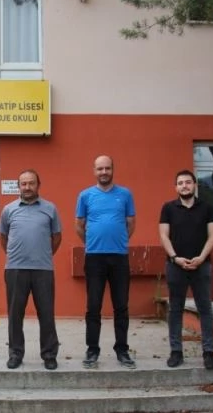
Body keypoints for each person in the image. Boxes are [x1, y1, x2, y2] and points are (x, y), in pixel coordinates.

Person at [75, 155, 136, 369]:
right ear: (94, 171)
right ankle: (92, 350)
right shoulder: (85, 195)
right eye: (100, 169)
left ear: (112, 170)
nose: (104, 172)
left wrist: (119, 241)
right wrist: (92, 243)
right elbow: (79, 225)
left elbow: (131, 223)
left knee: (121, 306)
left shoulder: (125, 194)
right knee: (93, 306)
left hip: (119, 257)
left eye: (107, 168)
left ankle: (122, 350)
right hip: (94, 258)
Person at [0, 169, 62, 370]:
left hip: (43, 269)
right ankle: (15, 354)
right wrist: (17, 255)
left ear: (38, 185)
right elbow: (3, 238)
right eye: (23, 183)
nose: (27, 187)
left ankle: (49, 354)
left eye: (31, 183)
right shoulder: (8, 210)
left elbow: (57, 237)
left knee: (46, 313)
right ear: (19, 186)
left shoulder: (50, 209)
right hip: (15, 269)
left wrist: (43, 255)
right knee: (15, 314)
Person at [158, 169, 213, 370]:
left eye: (188, 182)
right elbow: (164, 235)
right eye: (180, 183)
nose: (184, 186)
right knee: (175, 309)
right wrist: (175, 258)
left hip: (202, 266)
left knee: (205, 309)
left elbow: (212, 235)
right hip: (176, 266)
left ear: (194, 185)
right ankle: (176, 352)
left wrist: (201, 258)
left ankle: (208, 352)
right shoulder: (168, 208)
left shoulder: (207, 208)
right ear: (176, 187)